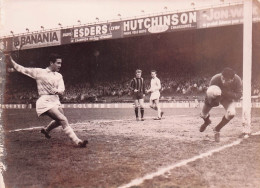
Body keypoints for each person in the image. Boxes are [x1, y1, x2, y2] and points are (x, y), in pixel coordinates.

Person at [6, 53, 88, 147]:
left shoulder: (59, 76)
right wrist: (11, 60)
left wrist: (57, 91)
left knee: (59, 120)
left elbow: (62, 89)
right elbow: (22, 69)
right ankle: (77, 141)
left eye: (60, 63)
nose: (60, 65)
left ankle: (46, 130)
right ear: (51, 63)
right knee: (63, 119)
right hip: (45, 101)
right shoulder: (39, 72)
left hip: (55, 100)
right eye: (58, 63)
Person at [200, 67, 242, 142]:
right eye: (222, 78)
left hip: (228, 98)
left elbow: (239, 95)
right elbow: (209, 94)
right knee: (203, 114)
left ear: (232, 79)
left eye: (226, 80)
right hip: (214, 97)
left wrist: (226, 92)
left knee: (232, 113)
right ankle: (207, 122)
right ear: (221, 75)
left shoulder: (237, 80)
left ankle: (217, 129)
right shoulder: (215, 79)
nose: (223, 81)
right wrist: (214, 101)